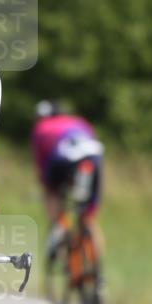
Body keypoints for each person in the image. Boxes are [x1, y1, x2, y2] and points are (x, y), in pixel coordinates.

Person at [30, 100, 105, 260]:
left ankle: (58, 225)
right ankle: (96, 274)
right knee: (87, 217)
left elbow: (42, 165)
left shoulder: (40, 128)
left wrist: (47, 187)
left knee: (51, 191)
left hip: (62, 159)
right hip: (93, 157)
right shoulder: (80, 122)